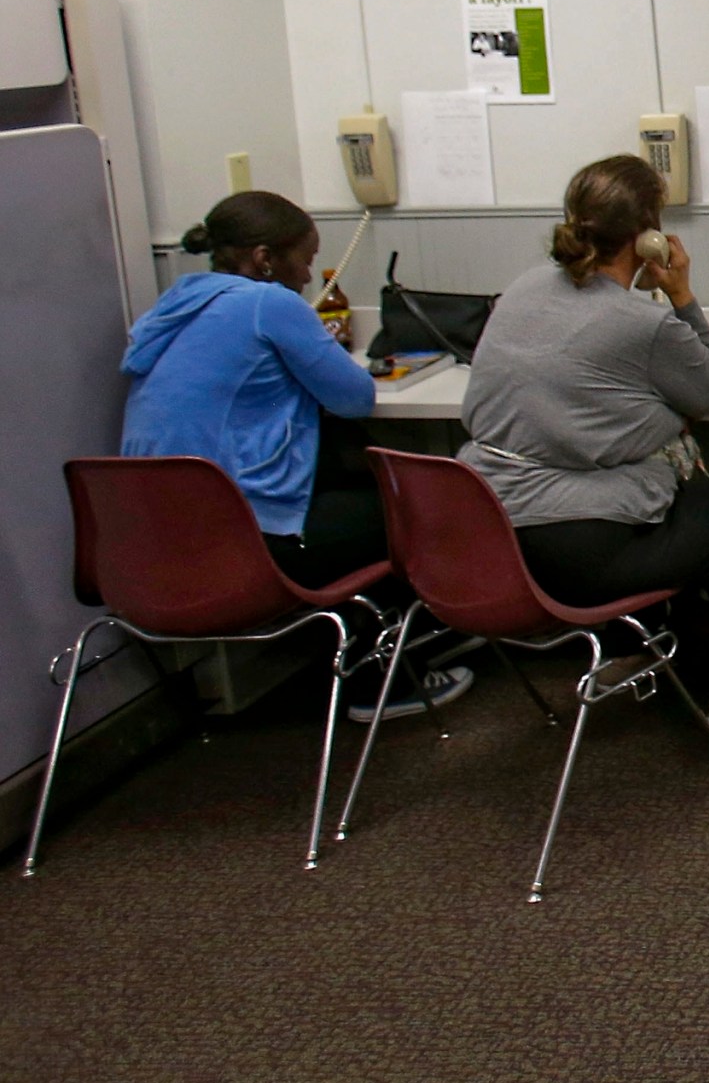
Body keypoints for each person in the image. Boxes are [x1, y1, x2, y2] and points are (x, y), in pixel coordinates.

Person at [460, 156, 709, 755]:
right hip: (577, 551)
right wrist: (681, 294)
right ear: (648, 236)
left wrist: (648, 418)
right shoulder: (639, 320)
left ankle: (632, 648)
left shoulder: (526, 287)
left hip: (489, 533)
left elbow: (574, 406)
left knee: (685, 497)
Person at [121, 192, 472, 720]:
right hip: (244, 539)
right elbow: (354, 395)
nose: (310, 276)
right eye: (305, 260)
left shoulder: (177, 301)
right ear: (265, 258)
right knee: (411, 507)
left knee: (353, 487)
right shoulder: (270, 304)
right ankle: (386, 679)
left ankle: (376, 650)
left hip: (154, 541)